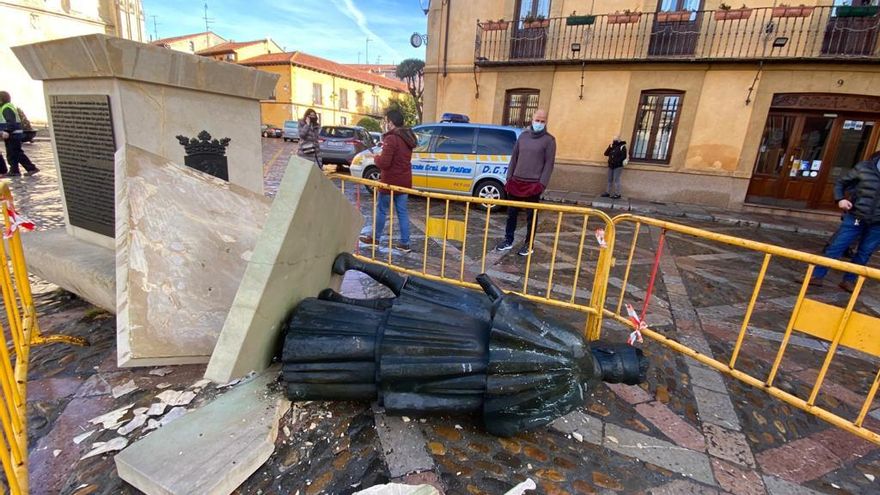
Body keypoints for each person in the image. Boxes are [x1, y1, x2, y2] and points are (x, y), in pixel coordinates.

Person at [811, 151, 880, 293]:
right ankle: (816, 276)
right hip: (856, 216)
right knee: (837, 246)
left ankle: (849, 280)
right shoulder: (864, 167)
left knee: (865, 252)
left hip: (878, 223)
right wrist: (840, 199)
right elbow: (841, 183)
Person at [494, 109, 556, 257]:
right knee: (511, 214)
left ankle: (529, 244)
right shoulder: (523, 136)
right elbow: (514, 158)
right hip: (516, 182)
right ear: (532, 119)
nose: (539, 123)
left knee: (531, 217)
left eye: (542, 121)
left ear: (546, 122)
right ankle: (508, 240)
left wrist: (542, 184)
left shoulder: (549, 140)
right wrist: (509, 178)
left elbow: (549, 164)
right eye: (537, 120)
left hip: (533, 185)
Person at [358, 109, 417, 253]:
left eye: (386, 121)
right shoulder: (407, 137)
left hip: (390, 181)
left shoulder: (391, 138)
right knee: (402, 212)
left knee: (381, 210)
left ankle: (375, 239)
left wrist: (376, 158)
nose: (385, 124)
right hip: (404, 180)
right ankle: (405, 243)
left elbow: (384, 163)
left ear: (391, 123)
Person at [0, 91, 39, 176]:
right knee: (13, 154)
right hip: (13, 134)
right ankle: (14, 171)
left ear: (1, 100)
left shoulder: (6, 108)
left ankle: (31, 168)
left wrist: (7, 131)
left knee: (16, 153)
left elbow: (11, 122)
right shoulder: (6, 107)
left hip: (13, 134)